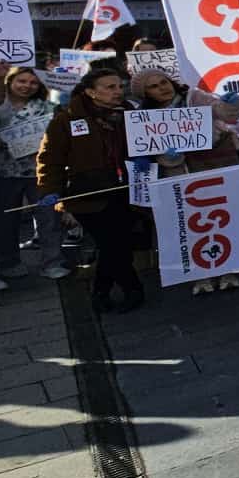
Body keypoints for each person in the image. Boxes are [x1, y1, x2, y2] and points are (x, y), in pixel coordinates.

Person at [130, 69, 239, 293]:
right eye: (153, 86)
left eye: (163, 82)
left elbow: (224, 112)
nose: (162, 88)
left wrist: (231, 104)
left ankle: (227, 270)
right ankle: (200, 275)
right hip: (178, 174)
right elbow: (149, 146)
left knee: (220, 218)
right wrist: (165, 156)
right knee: (189, 223)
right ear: (145, 93)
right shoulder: (144, 116)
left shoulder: (194, 97)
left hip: (212, 167)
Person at [36, 68, 142, 312]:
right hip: (87, 194)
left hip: (125, 189)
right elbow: (49, 158)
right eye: (109, 87)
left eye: (119, 86)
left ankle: (101, 294)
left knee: (117, 245)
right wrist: (49, 190)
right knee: (111, 243)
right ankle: (133, 289)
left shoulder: (129, 113)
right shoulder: (67, 118)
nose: (118, 91)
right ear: (91, 92)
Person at [0, 67, 68, 281]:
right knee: (5, 221)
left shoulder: (48, 107)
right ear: (10, 81)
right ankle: (9, 262)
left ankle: (53, 262)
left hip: (39, 173)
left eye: (33, 82)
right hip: (4, 173)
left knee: (49, 217)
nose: (27, 86)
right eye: (22, 81)